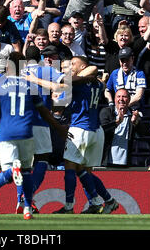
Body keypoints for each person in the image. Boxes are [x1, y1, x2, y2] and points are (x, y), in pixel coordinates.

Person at [0, 51, 67, 219]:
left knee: (18, 167)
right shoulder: (46, 70)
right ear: (40, 58)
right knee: (40, 162)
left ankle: (17, 199)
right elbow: (64, 84)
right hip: (39, 124)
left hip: (17, 125)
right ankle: (26, 201)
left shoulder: (3, 81)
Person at [49, 56, 118, 214]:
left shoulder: (76, 82)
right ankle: (104, 201)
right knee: (84, 171)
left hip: (80, 129)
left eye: (74, 64)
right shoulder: (98, 84)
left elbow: (64, 84)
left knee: (70, 168)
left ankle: (68, 207)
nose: (71, 66)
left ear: (83, 67)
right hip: (96, 131)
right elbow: (100, 81)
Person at [100, 88, 143, 167]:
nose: (121, 99)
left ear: (129, 99)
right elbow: (101, 131)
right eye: (118, 96)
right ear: (114, 99)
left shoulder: (134, 116)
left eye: (124, 97)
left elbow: (141, 135)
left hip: (126, 162)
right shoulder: (106, 112)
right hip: (106, 161)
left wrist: (135, 123)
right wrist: (116, 123)